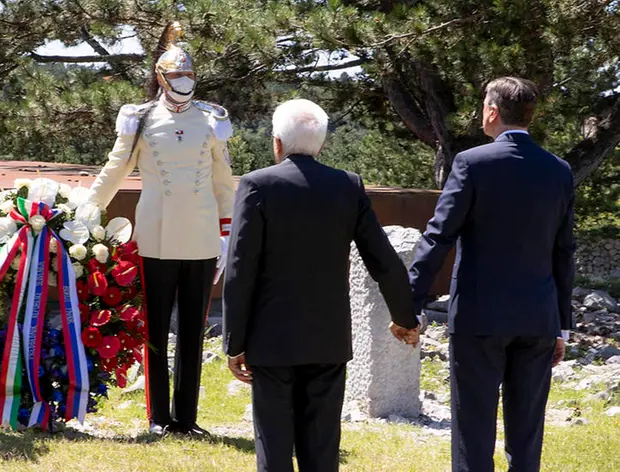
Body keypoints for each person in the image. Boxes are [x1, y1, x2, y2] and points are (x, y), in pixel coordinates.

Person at [222, 99, 420, 472]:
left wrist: (235, 342)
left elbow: (239, 268)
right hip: (327, 339)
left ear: (277, 142)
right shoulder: (347, 186)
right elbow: (384, 260)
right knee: (322, 450)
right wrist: (405, 318)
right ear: (322, 144)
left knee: (274, 448)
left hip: (271, 339)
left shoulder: (256, 185)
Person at [407, 77, 575, 472]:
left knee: (473, 433)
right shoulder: (559, 170)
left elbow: (439, 235)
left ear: (493, 112)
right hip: (538, 318)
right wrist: (561, 326)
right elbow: (564, 251)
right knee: (527, 435)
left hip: (480, 318)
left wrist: (410, 301)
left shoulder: (471, 163)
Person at [87, 22, 235, 437]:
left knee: (192, 330)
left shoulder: (212, 120)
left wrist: (228, 233)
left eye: (188, 75)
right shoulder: (140, 118)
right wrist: (86, 209)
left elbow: (225, 182)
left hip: (203, 236)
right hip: (155, 235)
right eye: (175, 76)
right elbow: (116, 168)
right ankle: (157, 417)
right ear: (160, 78)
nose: (183, 83)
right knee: (154, 330)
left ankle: (187, 418)